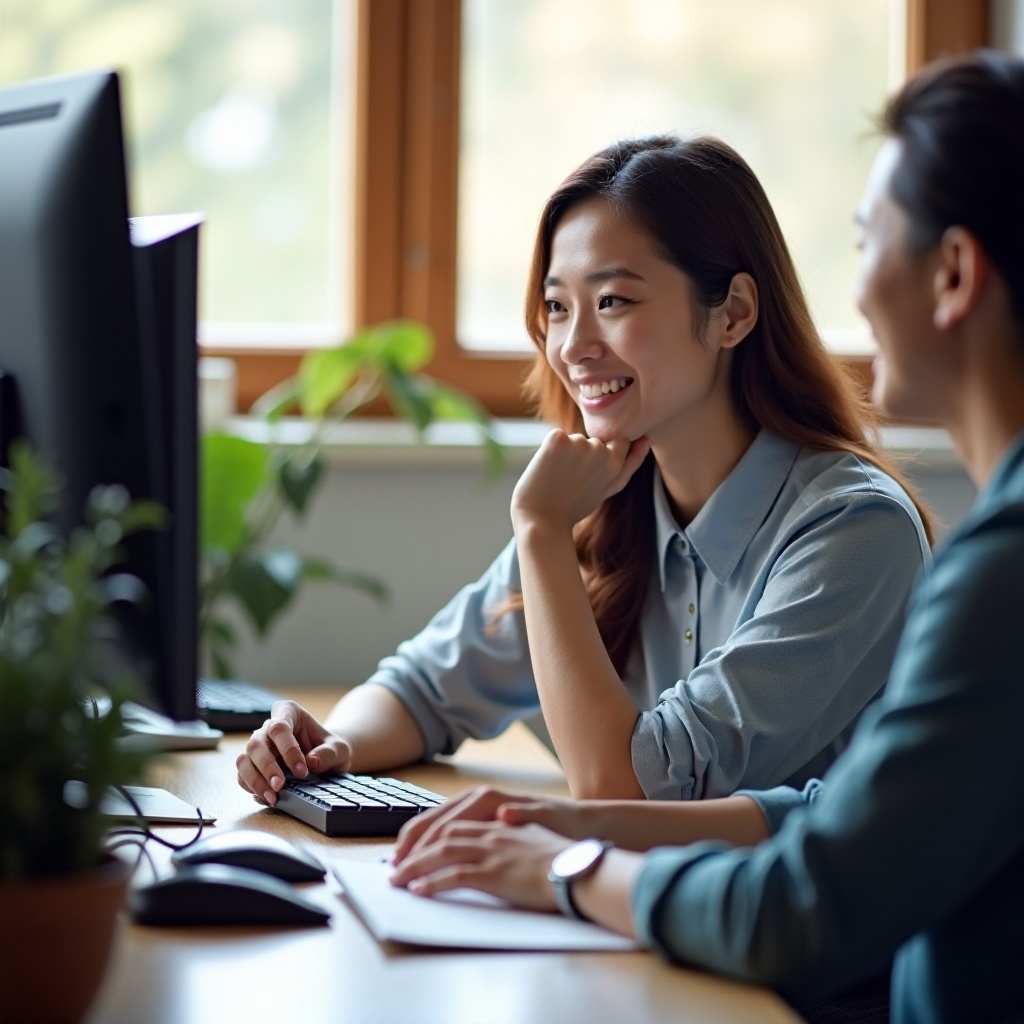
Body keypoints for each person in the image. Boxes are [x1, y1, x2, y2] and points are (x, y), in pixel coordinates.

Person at [388, 49, 1024, 1022]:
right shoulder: (619, 492)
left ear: (950, 273)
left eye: (865, 243)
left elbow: (806, 899)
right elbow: (835, 813)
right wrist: (576, 821)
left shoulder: (982, 565)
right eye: (557, 307)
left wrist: (571, 860)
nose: (852, 292)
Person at [237, 132, 933, 807]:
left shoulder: (854, 532)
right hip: (634, 913)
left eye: (613, 301)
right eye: (556, 307)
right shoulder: (612, 502)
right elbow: (422, 687)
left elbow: (625, 789)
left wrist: (539, 528)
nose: (572, 347)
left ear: (734, 313)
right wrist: (331, 747)